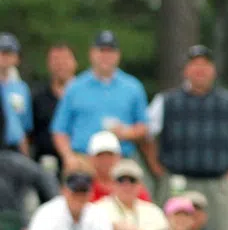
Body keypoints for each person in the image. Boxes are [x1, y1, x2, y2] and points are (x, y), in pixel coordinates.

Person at [141, 45, 228, 230]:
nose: (200, 70)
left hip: (216, 184)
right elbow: (146, 133)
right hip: (177, 182)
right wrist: (154, 164)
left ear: (213, 70)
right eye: (195, 65)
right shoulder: (167, 101)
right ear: (186, 70)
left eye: (205, 65)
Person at [51, 30, 149, 166]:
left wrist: (127, 132)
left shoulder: (133, 87)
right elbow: (59, 130)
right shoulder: (74, 88)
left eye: (110, 52)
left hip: (121, 158)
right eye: (101, 51)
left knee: (133, 174)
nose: (106, 56)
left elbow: (144, 127)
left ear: (118, 55)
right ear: (92, 53)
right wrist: (68, 157)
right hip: (83, 158)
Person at [97, 157, 168, 230]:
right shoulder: (99, 208)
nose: (127, 186)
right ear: (113, 184)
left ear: (140, 185)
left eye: (132, 180)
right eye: (121, 180)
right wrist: (121, 229)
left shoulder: (153, 210)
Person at [30, 43, 77, 167]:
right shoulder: (38, 97)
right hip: (45, 163)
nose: (60, 64)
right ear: (48, 64)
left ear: (74, 62)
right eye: (55, 60)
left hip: (78, 161)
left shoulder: (84, 95)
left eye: (65, 59)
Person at [0, 33, 32, 153]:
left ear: (17, 58)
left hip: (15, 147)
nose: (5, 57)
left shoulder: (21, 88)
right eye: (2, 52)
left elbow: (24, 124)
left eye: (9, 53)